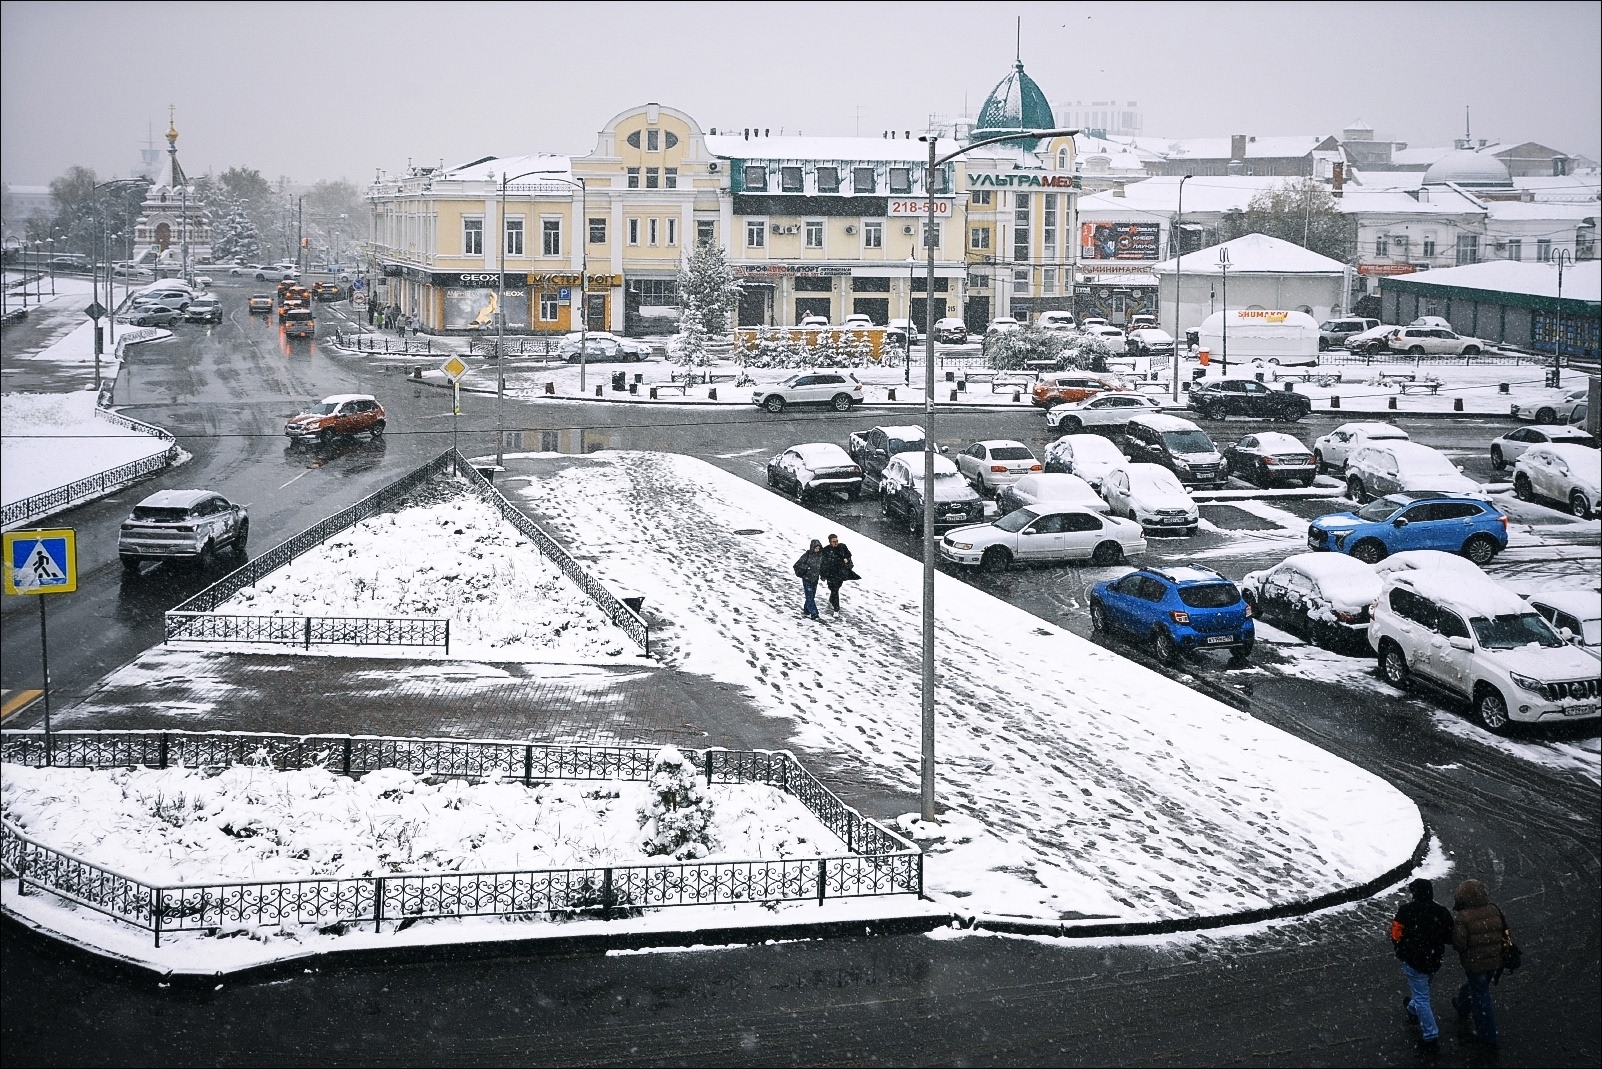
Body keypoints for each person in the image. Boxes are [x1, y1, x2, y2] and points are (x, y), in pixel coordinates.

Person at [1391, 878, 1454, 1051]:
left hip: (1413, 960)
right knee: (1422, 990)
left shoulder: (1406, 911)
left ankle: (1430, 1036)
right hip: (1434, 960)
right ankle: (1412, 1009)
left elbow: (1396, 934)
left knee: (1422, 998)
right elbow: (1450, 936)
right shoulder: (1441, 912)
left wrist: (1401, 949)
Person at [1451, 878, 1506, 1046]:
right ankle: (1462, 1007)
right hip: (1495, 960)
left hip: (1475, 963)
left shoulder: (1463, 917)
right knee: (1477, 987)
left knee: (1481, 994)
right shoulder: (1494, 910)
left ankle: (1488, 1034)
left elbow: (1459, 944)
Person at [818, 533, 857, 614]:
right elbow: (823, 564)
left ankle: (834, 605)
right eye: (834, 541)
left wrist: (847, 560)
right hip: (830, 573)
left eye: (837, 541)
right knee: (833, 589)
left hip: (841, 573)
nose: (836, 543)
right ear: (830, 542)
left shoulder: (842, 547)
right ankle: (835, 606)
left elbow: (848, 555)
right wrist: (823, 575)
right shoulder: (826, 550)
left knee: (835, 589)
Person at [792, 539, 824, 620]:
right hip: (807, 578)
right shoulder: (807, 555)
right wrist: (807, 567)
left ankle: (806, 609)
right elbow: (797, 564)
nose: (817, 549)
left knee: (811, 596)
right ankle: (814, 613)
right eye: (816, 548)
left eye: (818, 548)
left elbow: (823, 567)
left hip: (815, 579)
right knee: (809, 595)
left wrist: (823, 575)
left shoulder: (821, 556)